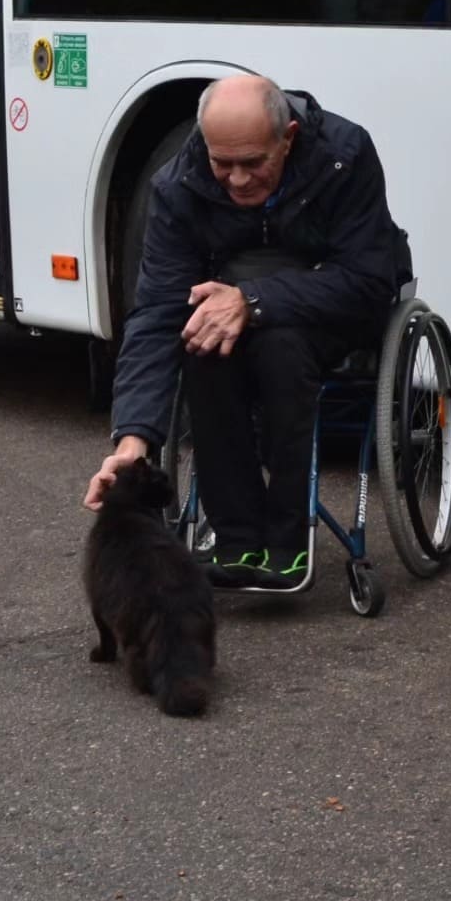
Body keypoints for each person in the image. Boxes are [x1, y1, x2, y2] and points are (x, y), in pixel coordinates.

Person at [83, 74, 406, 587]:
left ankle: (285, 540)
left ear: (289, 136)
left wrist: (254, 301)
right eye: (222, 164)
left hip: (330, 307)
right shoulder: (177, 185)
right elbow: (156, 315)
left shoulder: (345, 154)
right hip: (231, 311)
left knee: (280, 347)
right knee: (203, 344)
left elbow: (369, 279)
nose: (236, 180)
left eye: (254, 163)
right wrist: (131, 441)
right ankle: (236, 540)